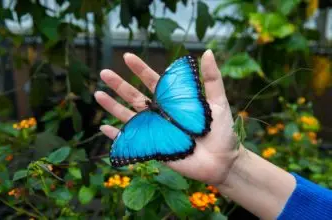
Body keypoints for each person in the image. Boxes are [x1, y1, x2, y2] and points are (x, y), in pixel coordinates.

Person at [94, 50, 332, 220]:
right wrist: (233, 169)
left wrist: (233, 168)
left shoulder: (140, 124)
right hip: (190, 117)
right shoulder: (164, 93)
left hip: (176, 135)